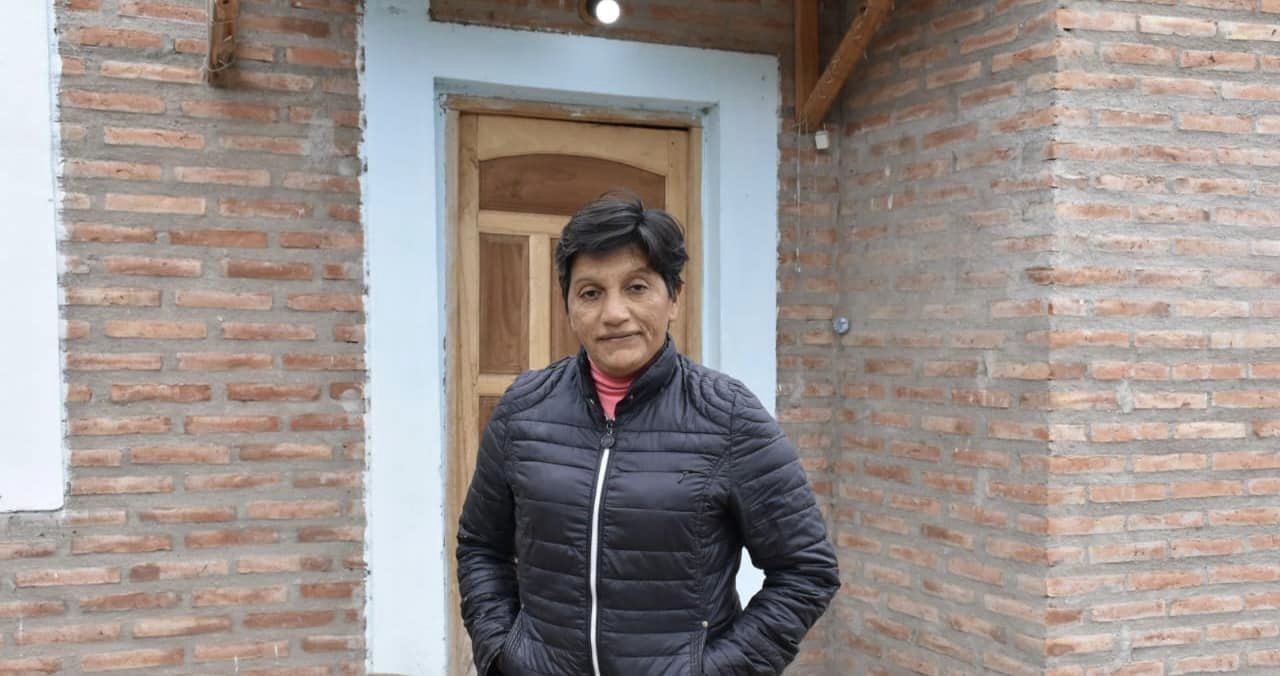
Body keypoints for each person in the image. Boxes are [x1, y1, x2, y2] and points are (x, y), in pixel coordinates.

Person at [457, 193, 840, 675]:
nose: (614, 313)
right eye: (590, 293)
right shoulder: (524, 408)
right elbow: (481, 546)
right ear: (569, 307)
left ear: (674, 297)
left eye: (636, 287)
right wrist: (503, 653)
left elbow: (806, 570)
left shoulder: (728, 416)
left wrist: (714, 672)